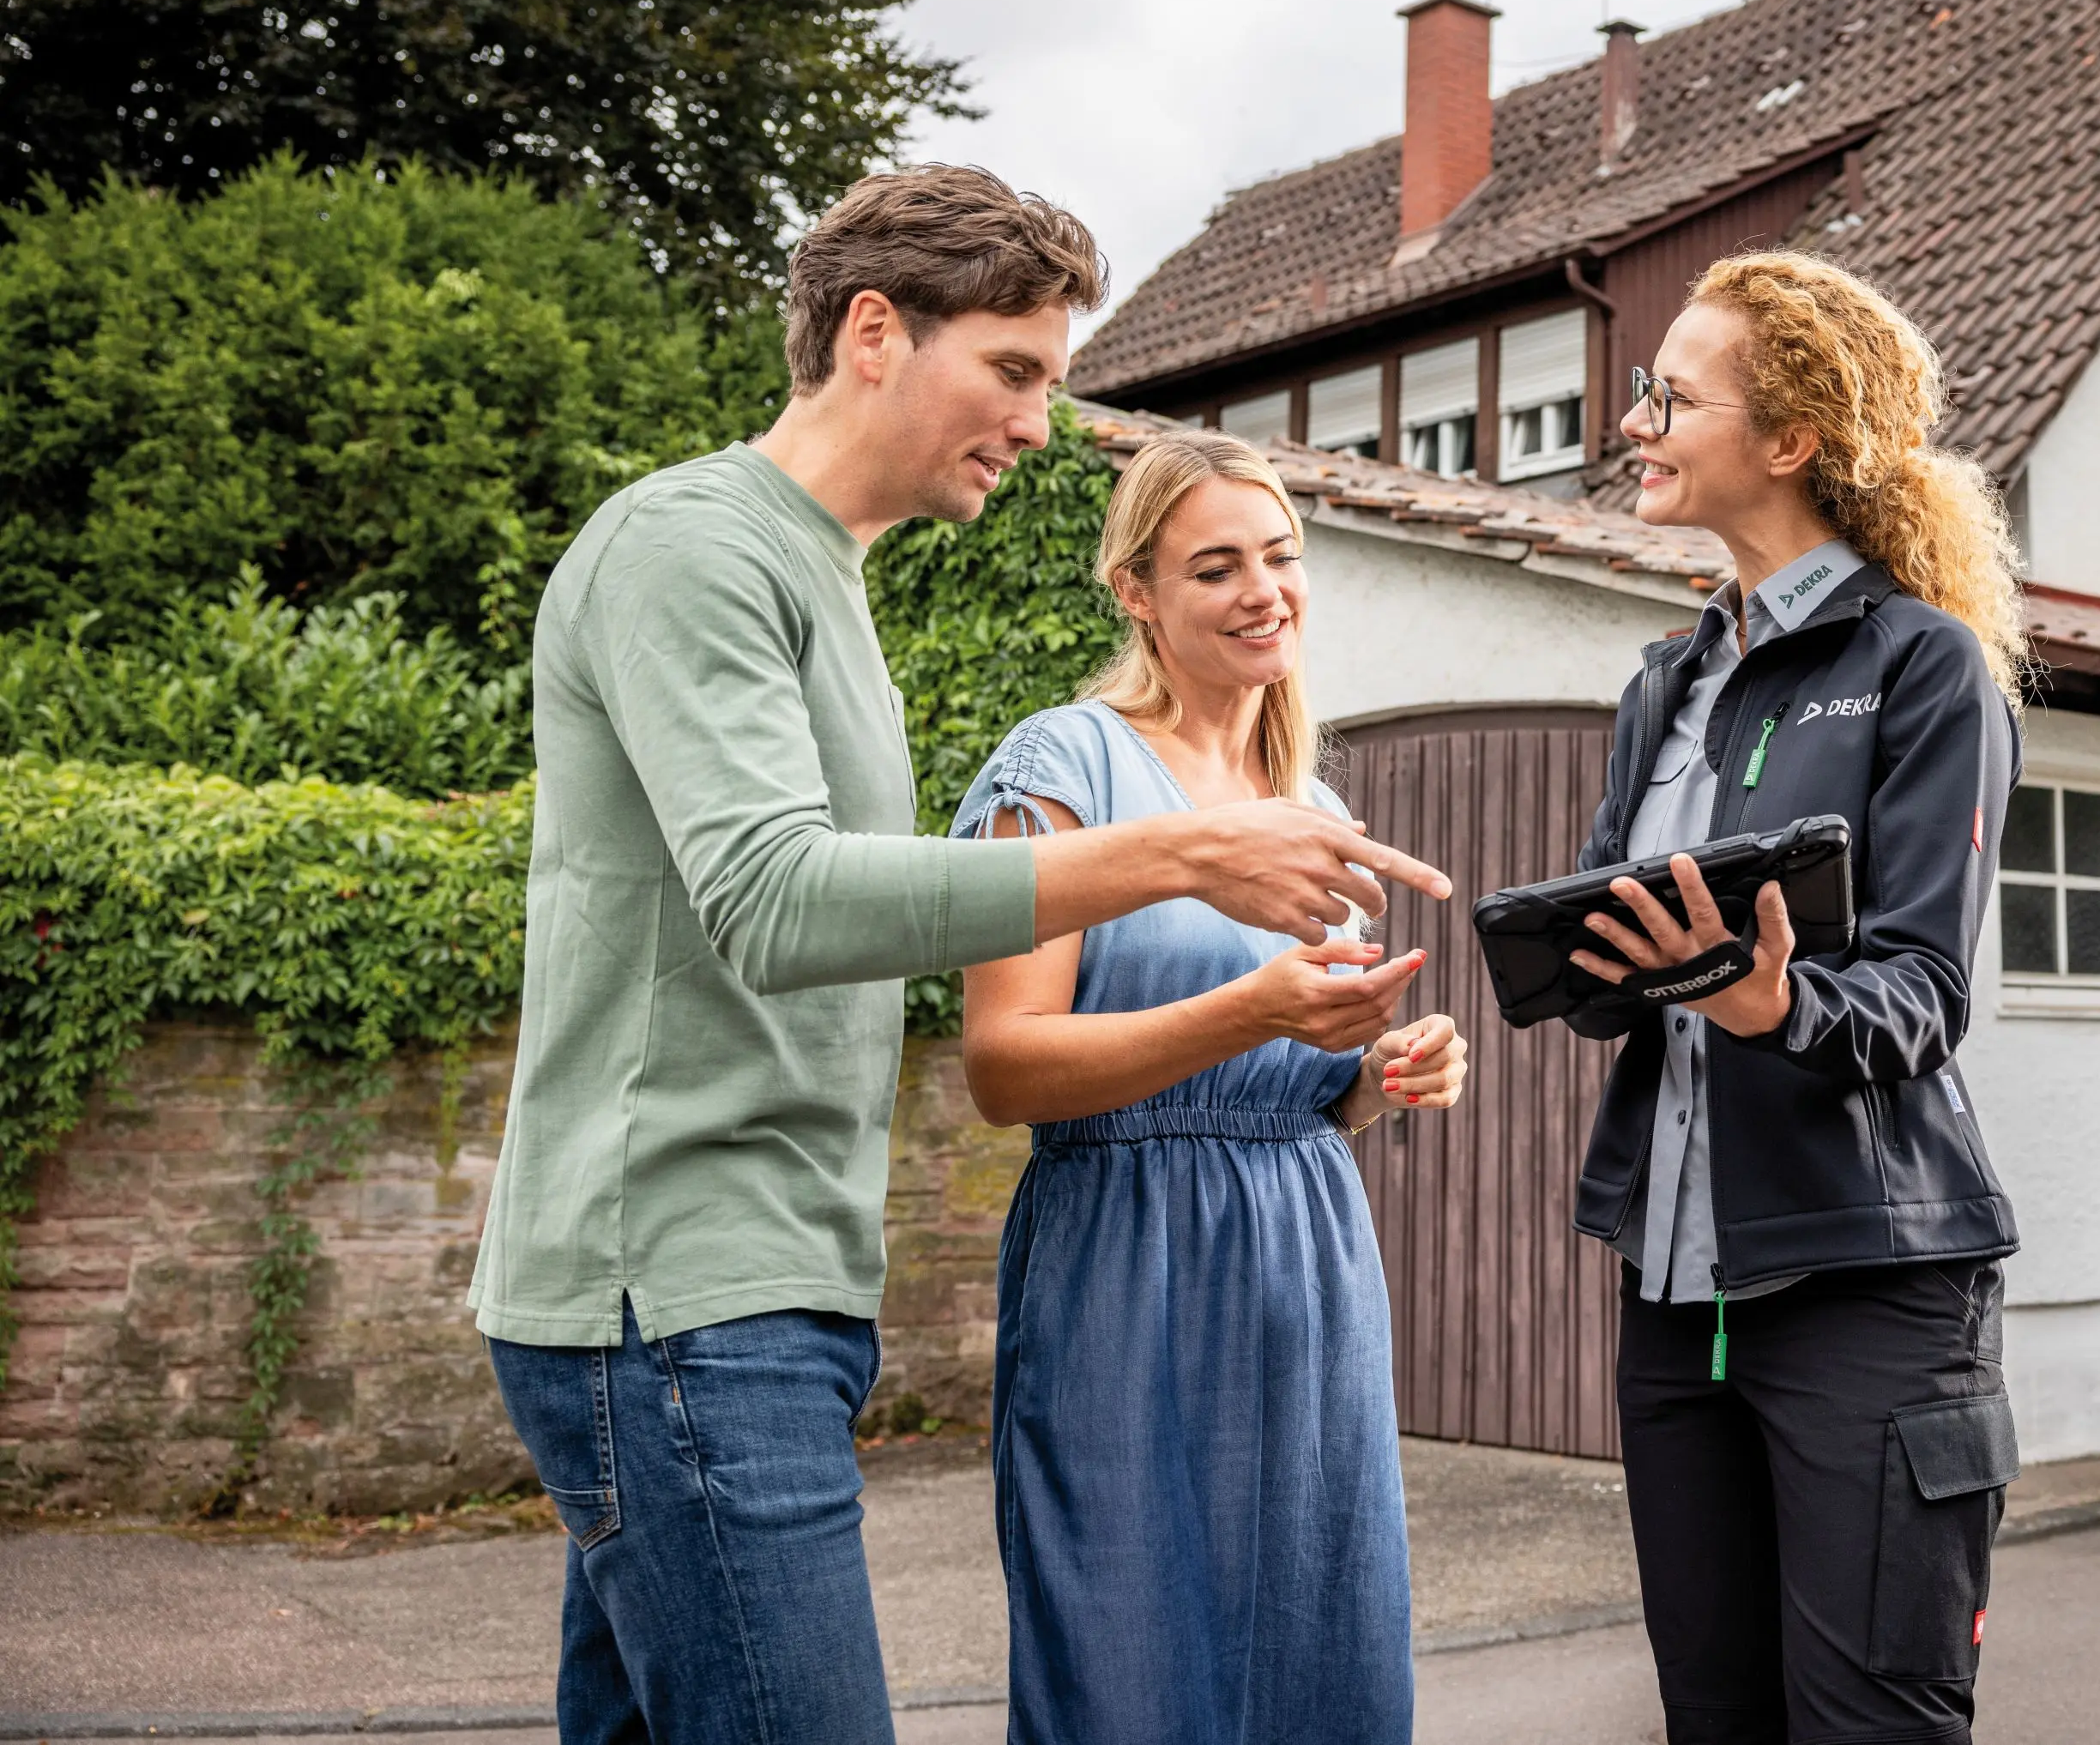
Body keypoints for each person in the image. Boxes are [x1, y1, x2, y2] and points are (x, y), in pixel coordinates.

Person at [469, 169, 1451, 1745]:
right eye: (1014, 369)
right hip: (670, 1294)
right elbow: (775, 900)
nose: (1041, 424)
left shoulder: (823, 583)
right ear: (876, 331)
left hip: (759, 1292)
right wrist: (1187, 850)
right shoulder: (691, 548)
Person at [1561, 250, 2027, 1745]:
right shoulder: (1666, 685)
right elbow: (1613, 954)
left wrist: (1783, 1009)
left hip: (1868, 1292)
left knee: (1869, 1724)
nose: (1635, 420)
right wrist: (1582, 962)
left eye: (1671, 396)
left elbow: (1924, 989)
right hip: (1672, 1294)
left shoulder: (1924, 667)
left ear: (1791, 439)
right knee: (1714, 1719)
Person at [950, 430, 1466, 1745]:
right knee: (1126, 1656)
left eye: (1281, 558)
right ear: (1138, 593)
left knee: (1318, 1640)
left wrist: (1375, 1075)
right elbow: (1007, 1069)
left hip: (1304, 1261)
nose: (1263, 592)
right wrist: (1254, 1006)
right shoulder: (1061, 766)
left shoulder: (1310, 802)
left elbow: (1300, 1077)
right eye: (1217, 567)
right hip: (1122, 1267)